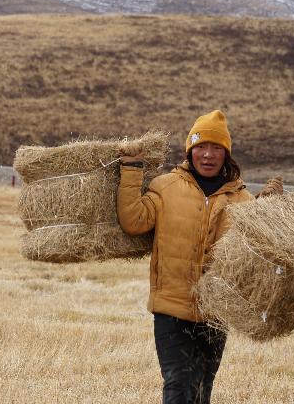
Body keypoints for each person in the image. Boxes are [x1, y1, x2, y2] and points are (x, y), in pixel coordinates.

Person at [117, 110, 283, 404]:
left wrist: (268, 215)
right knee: (179, 386)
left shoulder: (243, 202)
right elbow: (134, 221)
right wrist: (131, 169)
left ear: (226, 153)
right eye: (201, 146)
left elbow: (255, 255)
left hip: (215, 314)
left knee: (201, 391)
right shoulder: (166, 187)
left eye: (216, 147)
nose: (208, 155)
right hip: (171, 309)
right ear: (190, 150)